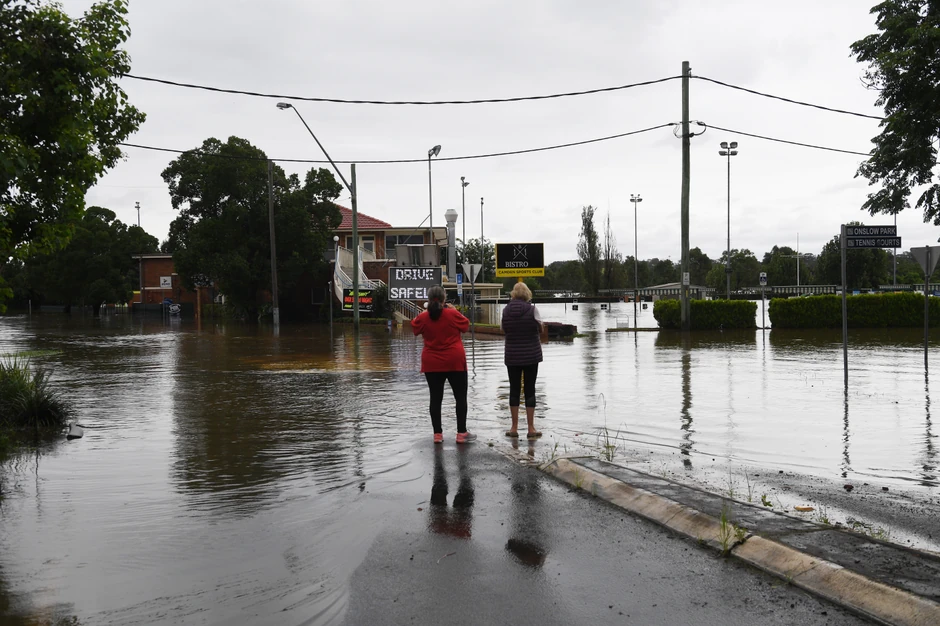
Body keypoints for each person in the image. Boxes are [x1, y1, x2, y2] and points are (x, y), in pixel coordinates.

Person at [411, 285, 476, 444]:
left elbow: (414, 327)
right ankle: (461, 433)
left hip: (432, 362)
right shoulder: (452, 314)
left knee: (435, 398)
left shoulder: (424, 317)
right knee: (460, 397)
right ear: (444, 298)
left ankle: (437, 435)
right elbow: (466, 326)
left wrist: (425, 312)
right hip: (455, 360)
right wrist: (454, 310)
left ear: (428, 299)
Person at [501, 282, 543, 439]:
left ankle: (514, 428)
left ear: (513, 294)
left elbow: (503, 328)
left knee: (514, 389)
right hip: (531, 355)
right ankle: (531, 428)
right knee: (530, 389)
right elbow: (540, 327)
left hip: (512, 355)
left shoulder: (506, 310)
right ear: (527, 294)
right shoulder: (533, 310)